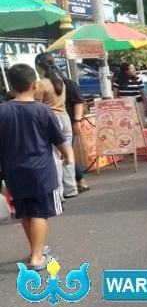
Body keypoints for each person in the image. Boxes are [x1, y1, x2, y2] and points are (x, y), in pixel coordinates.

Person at [0, 64, 70, 271]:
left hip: (13, 171)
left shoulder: (2, 110)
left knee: (25, 213)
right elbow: (58, 140)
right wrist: (67, 156)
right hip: (40, 171)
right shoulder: (42, 110)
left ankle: (36, 249)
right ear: (34, 85)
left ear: (11, 85)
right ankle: (38, 258)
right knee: (40, 212)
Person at [34, 53, 77, 200]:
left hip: (51, 120)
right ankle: (71, 188)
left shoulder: (41, 84)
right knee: (67, 153)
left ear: (38, 66)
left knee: (55, 157)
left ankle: (58, 194)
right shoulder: (60, 81)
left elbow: (38, 107)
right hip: (65, 118)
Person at [63, 76, 90, 193]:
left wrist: (77, 121)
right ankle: (79, 181)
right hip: (66, 122)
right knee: (65, 153)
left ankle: (79, 181)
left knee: (64, 153)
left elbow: (79, 102)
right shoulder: (64, 83)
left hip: (67, 123)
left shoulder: (68, 84)